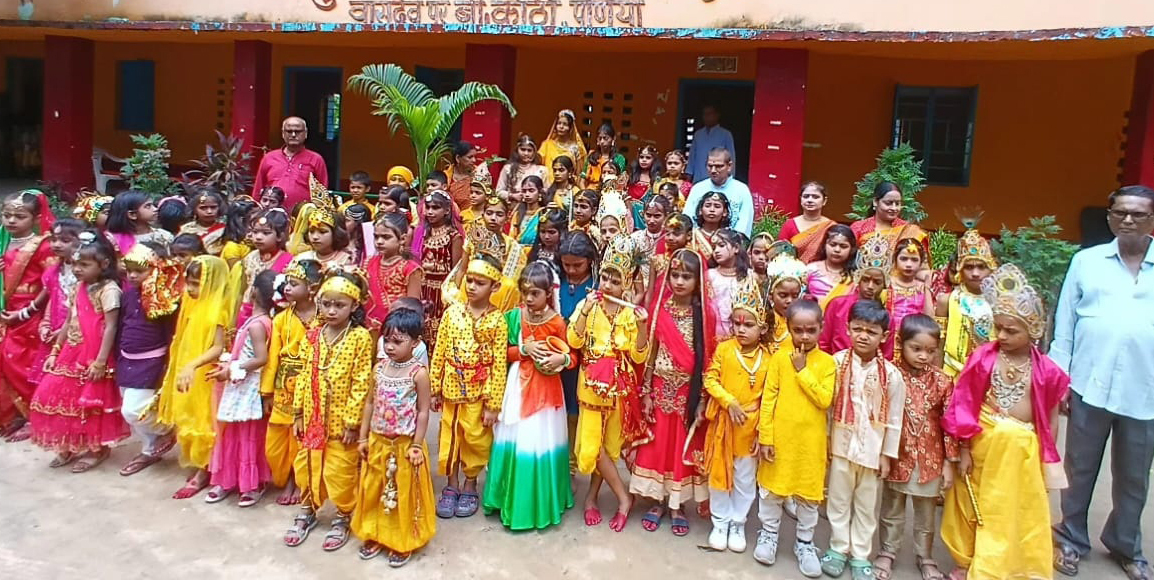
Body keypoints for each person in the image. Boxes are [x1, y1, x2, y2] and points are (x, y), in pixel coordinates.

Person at [1051, 184, 1154, 580]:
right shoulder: (1087, 262)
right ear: (1109, 217)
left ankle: (1126, 545)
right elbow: (1065, 323)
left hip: (1144, 389)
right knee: (1079, 468)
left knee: (1134, 475)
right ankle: (1071, 538)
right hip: (1089, 382)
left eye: (1138, 214)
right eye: (1120, 213)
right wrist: (1059, 378)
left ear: (1151, 220)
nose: (1127, 220)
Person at [942, 265, 1070, 580]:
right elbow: (965, 404)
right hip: (981, 446)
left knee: (1011, 509)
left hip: (1020, 457)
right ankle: (967, 559)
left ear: (1033, 330)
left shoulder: (1048, 372)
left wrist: (1045, 462)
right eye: (998, 328)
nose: (1001, 336)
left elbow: (1050, 421)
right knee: (971, 502)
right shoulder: (983, 358)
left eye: (1011, 331)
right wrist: (964, 449)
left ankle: (1009, 564)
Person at [284, 270, 374, 551]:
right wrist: (298, 413)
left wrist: (352, 422)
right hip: (313, 416)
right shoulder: (314, 334)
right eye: (327, 304)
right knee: (307, 465)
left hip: (340, 422)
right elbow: (303, 375)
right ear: (319, 303)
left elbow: (361, 382)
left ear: (354, 305)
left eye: (340, 305)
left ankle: (343, 515)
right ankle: (308, 508)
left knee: (340, 471)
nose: (332, 311)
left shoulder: (360, 337)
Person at [483, 261, 576, 530]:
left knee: (538, 439)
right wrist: (525, 349)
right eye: (525, 292)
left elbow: (573, 357)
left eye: (535, 293)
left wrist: (561, 359)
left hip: (547, 392)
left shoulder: (557, 322)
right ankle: (508, 499)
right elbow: (502, 352)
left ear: (548, 293)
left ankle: (538, 504)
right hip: (517, 387)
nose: (529, 298)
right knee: (516, 437)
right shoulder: (514, 317)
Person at [632, 248, 716, 537]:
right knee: (659, 446)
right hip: (659, 389)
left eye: (686, 277)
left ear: (698, 280)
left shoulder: (703, 315)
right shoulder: (660, 309)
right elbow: (651, 353)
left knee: (680, 448)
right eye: (675, 275)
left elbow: (707, 358)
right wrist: (645, 392)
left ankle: (677, 505)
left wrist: (702, 400)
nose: (679, 282)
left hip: (686, 393)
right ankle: (657, 501)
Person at [569, 234, 650, 532]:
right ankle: (623, 497)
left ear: (625, 284)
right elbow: (573, 340)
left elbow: (639, 355)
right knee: (592, 448)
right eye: (604, 278)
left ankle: (591, 497)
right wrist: (585, 310)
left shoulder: (629, 314)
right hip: (590, 385)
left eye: (615, 281)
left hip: (618, 387)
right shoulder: (587, 305)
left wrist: (642, 326)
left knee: (608, 446)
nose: (607, 285)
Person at [29, 232, 128, 472]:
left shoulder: (109, 290)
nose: (77, 269)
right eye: (74, 264)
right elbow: (69, 321)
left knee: (89, 403)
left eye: (84, 265)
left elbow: (111, 327)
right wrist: (55, 351)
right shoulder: (78, 287)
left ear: (104, 264)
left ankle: (96, 449)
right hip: (70, 350)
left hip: (94, 354)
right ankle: (68, 444)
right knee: (57, 397)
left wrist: (100, 362)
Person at [822, 300, 906, 580]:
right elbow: (828, 407)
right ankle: (838, 548)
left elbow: (895, 419)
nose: (863, 336)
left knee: (867, 506)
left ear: (884, 336)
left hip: (872, 451)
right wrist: (825, 441)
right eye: (858, 329)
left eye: (871, 331)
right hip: (840, 445)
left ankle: (860, 555)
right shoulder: (836, 364)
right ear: (847, 329)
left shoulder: (891, 375)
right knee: (838, 500)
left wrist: (887, 455)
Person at [753, 299, 836, 578]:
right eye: (798, 330)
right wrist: (766, 437)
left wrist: (802, 371)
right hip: (780, 440)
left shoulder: (827, 363)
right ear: (788, 328)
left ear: (821, 328)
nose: (804, 336)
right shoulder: (779, 359)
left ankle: (805, 543)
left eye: (811, 330)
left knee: (808, 496)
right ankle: (768, 534)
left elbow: (824, 399)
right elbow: (768, 399)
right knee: (772, 492)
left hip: (810, 444)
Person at [875, 315, 958, 580]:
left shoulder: (943, 381)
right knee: (892, 508)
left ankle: (925, 556)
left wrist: (949, 462)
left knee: (926, 513)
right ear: (900, 343)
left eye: (931, 351)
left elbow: (950, 424)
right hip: (897, 454)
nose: (924, 356)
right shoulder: (889, 374)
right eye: (917, 349)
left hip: (930, 457)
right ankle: (887, 552)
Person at [352, 307, 436, 566]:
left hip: (404, 445)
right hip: (378, 441)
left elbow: (423, 411)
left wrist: (416, 445)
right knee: (374, 489)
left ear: (416, 343)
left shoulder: (418, 373)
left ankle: (402, 540)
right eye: (386, 340)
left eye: (397, 341)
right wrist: (363, 438)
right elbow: (369, 403)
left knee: (403, 493)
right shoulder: (379, 369)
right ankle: (374, 533)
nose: (389, 346)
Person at [429, 254, 508, 519]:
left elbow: (499, 365)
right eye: (470, 281)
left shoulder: (497, 321)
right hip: (451, 389)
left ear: (495, 286)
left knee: (475, 438)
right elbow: (439, 352)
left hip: (478, 391)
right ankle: (451, 484)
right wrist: (434, 388)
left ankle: (470, 483)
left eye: (480, 283)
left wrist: (493, 405)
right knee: (450, 437)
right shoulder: (452, 313)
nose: (472, 287)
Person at [702, 276, 771, 554]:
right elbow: (710, 378)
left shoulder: (769, 358)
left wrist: (762, 431)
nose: (741, 329)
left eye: (748, 324)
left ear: (762, 327)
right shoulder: (725, 349)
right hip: (724, 424)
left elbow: (769, 399)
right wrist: (728, 401)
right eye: (737, 323)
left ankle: (737, 522)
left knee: (744, 479)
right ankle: (720, 523)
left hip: (750, 430)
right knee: (719, 474)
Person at [158, 255, 233, 499]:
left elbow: (217, 347)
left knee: (205, 422)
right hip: (187, 367)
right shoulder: (192, 304)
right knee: (188, 415)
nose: (190, 289)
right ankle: (199, 464)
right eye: (188, 283)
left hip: (204, 374)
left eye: (196, 284)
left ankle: (204, 471)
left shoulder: (219, 309)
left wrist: (193, 365)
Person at [206, 269, 275, 507]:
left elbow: (261, 358)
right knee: (236, 432)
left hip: (247, 385)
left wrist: (232, 369)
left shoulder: (258, 325)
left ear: (253, 292)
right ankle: (231, 479)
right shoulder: (259, 321)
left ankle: (251, 484)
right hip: (241, 383)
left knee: (246, 433)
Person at [116, 242, 182, 477]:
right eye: (129, 270)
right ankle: (150, 449)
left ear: (156, 269)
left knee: (133, 411)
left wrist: (168, 365)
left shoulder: (166, 299)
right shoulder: (128, 295)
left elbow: (170, 334)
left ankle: (168, 430)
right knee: (131, 409)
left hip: (151, 362)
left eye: (139, 271)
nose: (132, 276)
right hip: (126, 359)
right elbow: (121, 327)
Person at [263, 259, 323, 506]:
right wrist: (266, 391)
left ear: (312, 288)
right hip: (284, 387)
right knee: (278, 440)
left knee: (303, 434)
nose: (287, 288)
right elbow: (272, 358)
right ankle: (285, 475)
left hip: (312, 384)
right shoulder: (280, 319)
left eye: (294, 284)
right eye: (287, 283)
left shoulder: (324, 317)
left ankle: (298, 481)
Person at [0, 189, 55, 442]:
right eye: (6, 215)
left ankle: (35, 417)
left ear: (36, 218)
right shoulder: (2, 240)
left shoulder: (43, 246)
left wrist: (27, 311)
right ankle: (13, 415)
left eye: (19, 216)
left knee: (23, 365)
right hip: (5, 311)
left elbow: (51, 284)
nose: (11, 221)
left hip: (29, 315)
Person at [556, 231, 599, 472]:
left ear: (590, 261)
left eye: (577, 265)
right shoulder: (556, 283)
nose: (571, 270)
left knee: (576, 408)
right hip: (557, 355)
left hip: (584, 358)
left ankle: (573, 461)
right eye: (566, 265)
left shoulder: (596, 288)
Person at [935, 222, 996, 378]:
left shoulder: (1000, 303)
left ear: (991, 269)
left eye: (981, 267)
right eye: (969, 267)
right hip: (952, 375)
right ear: (960, 269)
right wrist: (937, 380)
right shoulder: (947, 301)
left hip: (988, 376)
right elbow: (938, 345)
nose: (975, 273)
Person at [821, 235, 892, 358]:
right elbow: (824, 343)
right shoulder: (837, 305)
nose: (870, 286)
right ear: (858, 279)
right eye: (866, 280)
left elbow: (886, 355)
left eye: (877, 282)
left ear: (884, 284)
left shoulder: (887, 315)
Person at [410, 191, 463, 352]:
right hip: (422, 288)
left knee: (438, 330)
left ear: (447, 210)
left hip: (441, 292)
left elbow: (456, 269)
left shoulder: (454, 236)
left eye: (435, 208)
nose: (430, 212)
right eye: (428, 207)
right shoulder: (422, 233)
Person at [232, 208, 293, 327]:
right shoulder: (249, 257)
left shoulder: (289, 262)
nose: (258, 237)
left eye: (266, 233)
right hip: (246, 311)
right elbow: (242, 290)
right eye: (255, 232)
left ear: (280, 236)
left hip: (272, 315)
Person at [252, 116, 329, 209]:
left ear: (305, 134)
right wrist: (256, 210)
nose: (293, 135)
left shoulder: (316, 159)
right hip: (272, 214)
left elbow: (322, 193)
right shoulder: (269, 158)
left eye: (298, 131)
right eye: (289, 131)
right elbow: (258, 189)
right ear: (283, 134)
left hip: (302, 215)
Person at [365, 213, 423, 332]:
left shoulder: (410, 269)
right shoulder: (368, 262)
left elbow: (412, 307)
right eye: (376, 237)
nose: (379, 241)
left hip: (396, 329)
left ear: (402, 239)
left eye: (386, 237)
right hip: (368, 326)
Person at [684, 149, 753, 236]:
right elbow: (687, 219)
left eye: (718, 166)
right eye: (710, 166)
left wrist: (730, 240)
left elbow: (744, 224)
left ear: (729, 166)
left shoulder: (742, 190)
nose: (713, 170)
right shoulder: (697, 188)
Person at [886, 238, 935, 361]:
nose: (908, 264)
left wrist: (927, 288)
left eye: (914, 260)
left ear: (921, 262)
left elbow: (929, 319)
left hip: (915, 344)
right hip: (887, 340)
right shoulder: (887, 284)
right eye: (903, 259)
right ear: (895, 260)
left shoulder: (921, 287)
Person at [850, 181, 928, 257]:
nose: (894, 208)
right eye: (888, 203)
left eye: (897, 203)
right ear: (875, 202)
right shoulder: (859, 228)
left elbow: (922, 260)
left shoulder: (908, 230)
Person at [778, 182, 836, 263]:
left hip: (821, 270)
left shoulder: (831, 227)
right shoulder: (789, 225)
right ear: (801, 199)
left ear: (824, 201)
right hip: (791, 270)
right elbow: (780, 253)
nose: (809, 200)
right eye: (806, 196)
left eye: (815, 197)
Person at [709, 229, 750, 340]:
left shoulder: (749, 276)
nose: (716, 251)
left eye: (721, 245)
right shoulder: (709, 276)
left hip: (741, 333)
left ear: (736, 248)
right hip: (713, 333)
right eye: (714, 248)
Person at [764, 254, 809, 354]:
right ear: (771, 296)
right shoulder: (763, 321)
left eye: (795, 296)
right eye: (783, 295)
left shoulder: (803, 323)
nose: (789, 301)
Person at [807, 224, 857, 309]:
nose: (837, 250)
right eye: (833, 244)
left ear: (852, 249)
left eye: (843, 246)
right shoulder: (811, 269)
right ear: (824, 245)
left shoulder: (855, 276)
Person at [107, 191, 173, 255]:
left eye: (153, 205)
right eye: (148, 206)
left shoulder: (164, 236)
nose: (155, 209)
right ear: (132, 215)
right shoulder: (113, 241)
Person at [687, 105, 736, 182]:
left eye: (709, 114)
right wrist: (689, 174)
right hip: (698, 178)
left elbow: (731, 157)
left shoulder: (725, 134)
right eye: (704, 114)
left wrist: (731, 177)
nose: (706, 117)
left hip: (719, 179)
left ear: (717, 115)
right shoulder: (698, 134)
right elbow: (692, 156)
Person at [539, 109, 588, 184]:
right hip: (547, 186)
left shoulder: (576, 148)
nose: (561, 127)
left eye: (565, 124)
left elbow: (579, 173)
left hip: (568, 186)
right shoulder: (547, 145)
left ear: (570, 128)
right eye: (559, 123)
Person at [496, 134, 547, 201]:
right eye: (523, 149)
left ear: (534, 152)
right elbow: (498, 191)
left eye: (529, 150)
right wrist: (512, 195)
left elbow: (547, 192)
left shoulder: (542, 170)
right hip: (513, 205)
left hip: (535, 206)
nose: (526, 153)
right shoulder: (508, 169)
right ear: (517, 150)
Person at [179, 187, 227, 255]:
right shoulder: (186, 229)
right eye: (203, 208)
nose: (209, 211)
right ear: (194, 210)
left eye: (213, 207)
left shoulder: (225, 230)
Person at [446, 141, 492, 209]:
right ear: (458, 158)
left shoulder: (479, 173)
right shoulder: (446, 176)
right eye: (470, 157)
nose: (474, 160)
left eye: (474, 157)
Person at [582, 122, 628, 190]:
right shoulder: (592, 156)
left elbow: (621, 182)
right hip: (591, 192)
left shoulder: (619, 159)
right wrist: (585, 193)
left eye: (605, 138)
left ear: (613, 139)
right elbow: (582, 181)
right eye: (600, 138)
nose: (602, 141)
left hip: (611, 191)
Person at [220, 196, 258, 268]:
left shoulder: (254, 242)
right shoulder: (233, 247)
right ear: (240, 221)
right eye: (255, 218)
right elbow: (237, 272)